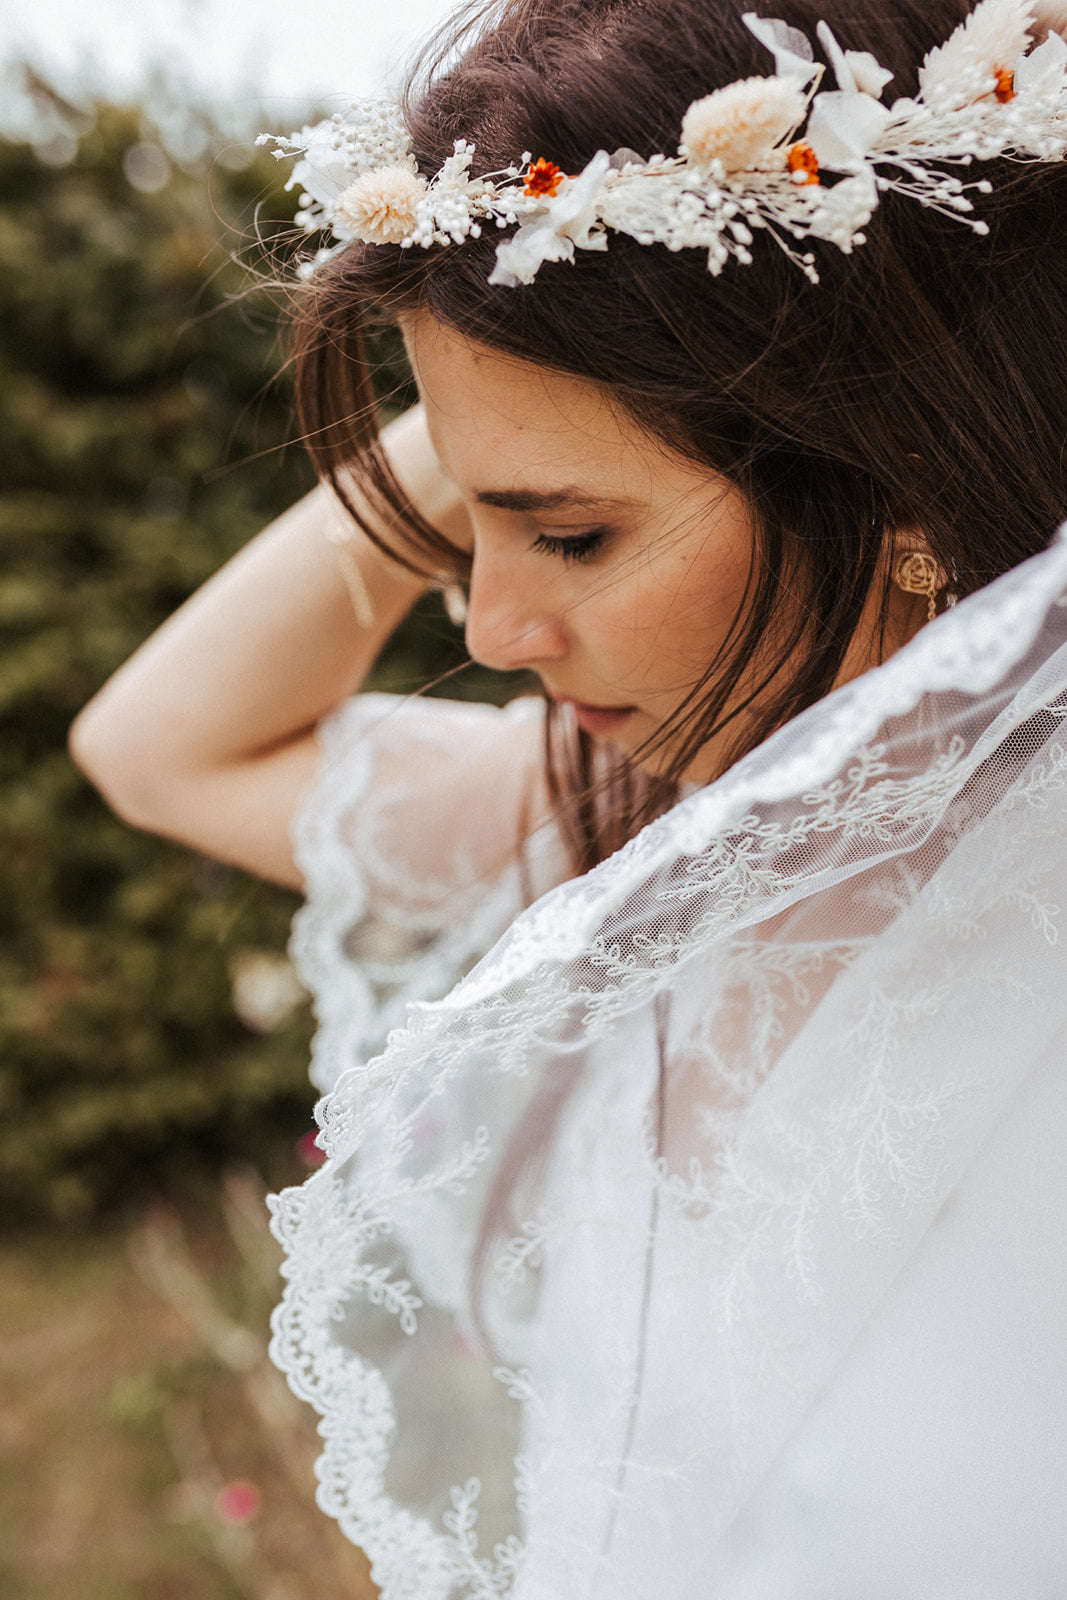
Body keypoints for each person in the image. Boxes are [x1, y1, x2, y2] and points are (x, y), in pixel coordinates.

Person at [71, 0, 1067, 1594]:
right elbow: (158, 750)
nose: (486, 628)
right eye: (478, 521)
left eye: (574, 535)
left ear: (889, 478)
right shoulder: (621, 829)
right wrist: (500, 343)